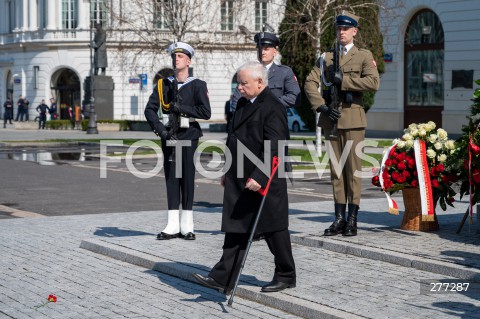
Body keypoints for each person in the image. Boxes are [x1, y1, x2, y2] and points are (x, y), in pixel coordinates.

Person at [193, 61, 296, 293]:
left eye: (243, 83)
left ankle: (286, 274)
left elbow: (275, 146)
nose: (238, 87)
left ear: (260, 82)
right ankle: (222, 277)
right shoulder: (241, 103)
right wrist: (227, 171)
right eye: (238, 83)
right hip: (240, 175)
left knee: (274, 229)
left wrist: (260, 175)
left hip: (264, 178)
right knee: (236, 227)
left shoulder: (272, 106)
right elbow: (233, 139)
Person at [304, 11, 380, 237]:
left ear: (354, 31)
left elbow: (373, 82)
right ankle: (339, 218)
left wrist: (344, 81)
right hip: (331, 118)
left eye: (346, 28)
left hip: (353, 118)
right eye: (338, 28)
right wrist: (321, 106)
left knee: (353, 170)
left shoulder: (363, 55)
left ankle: (353, 219)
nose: (342, 32)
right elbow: (310, 82)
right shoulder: (326, 57)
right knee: (336, 171)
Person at [145, 42, 211, 241]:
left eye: (181, 56)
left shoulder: (198, 85)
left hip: (188, 135)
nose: (176, 59)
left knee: (187, 179)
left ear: (189, 60)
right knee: (172, 178)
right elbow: (149, 110)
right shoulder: (163, 84)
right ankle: (172, 224)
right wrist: (161, 131)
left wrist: (181, 108)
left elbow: (205, 112)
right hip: (170, 135)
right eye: (174, 56)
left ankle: (187, 225)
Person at [229, 31, 301, 112]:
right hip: (250, 121)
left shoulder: (284, 72)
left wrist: (268, 104)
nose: (262, 52)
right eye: (260, 49)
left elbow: (294, 97)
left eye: (266, 49)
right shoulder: (247, 72)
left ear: (274, 52)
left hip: (274, 120)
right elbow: (236, 100)